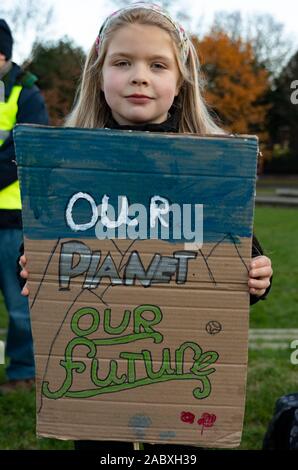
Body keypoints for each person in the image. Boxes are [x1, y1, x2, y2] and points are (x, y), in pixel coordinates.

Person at [19, 3, 273, 450]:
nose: (140, 76)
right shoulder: (69, 170)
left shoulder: (208, 170)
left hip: (181, 377)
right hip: (96, 371)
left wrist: (256, 277)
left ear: (180, 82)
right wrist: (36, 269)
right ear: (99, 76)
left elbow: (237, 259)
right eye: (123, 63)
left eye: (157, 65)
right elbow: (53, 260)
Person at [0, 19, 49, 394]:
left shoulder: (27, 93)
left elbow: (25, 150)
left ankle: (23, 373)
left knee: (20, 306)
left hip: (12, 219)